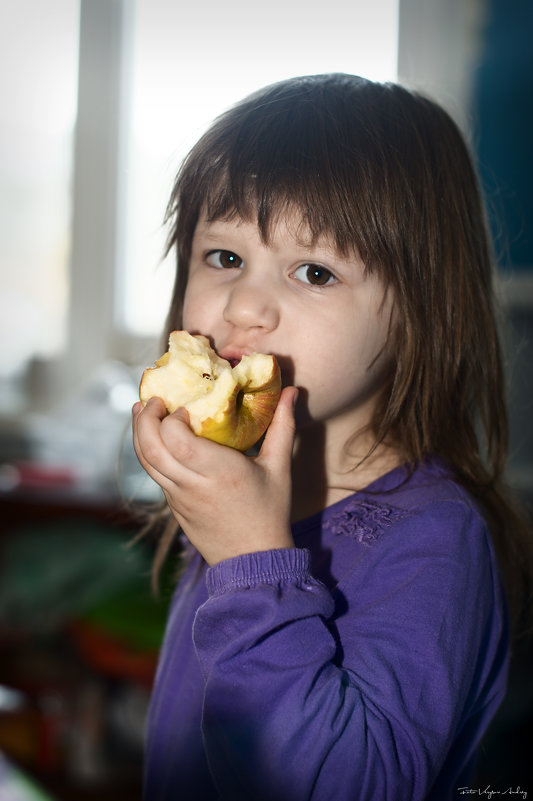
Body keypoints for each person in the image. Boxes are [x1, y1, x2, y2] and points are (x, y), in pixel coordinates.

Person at [131, 73, 532, 801]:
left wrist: (250, 558)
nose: (245, 305)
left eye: (313, 271)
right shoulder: (239, 484)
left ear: (419, 313)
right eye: (223, 257)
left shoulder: (435, 540)